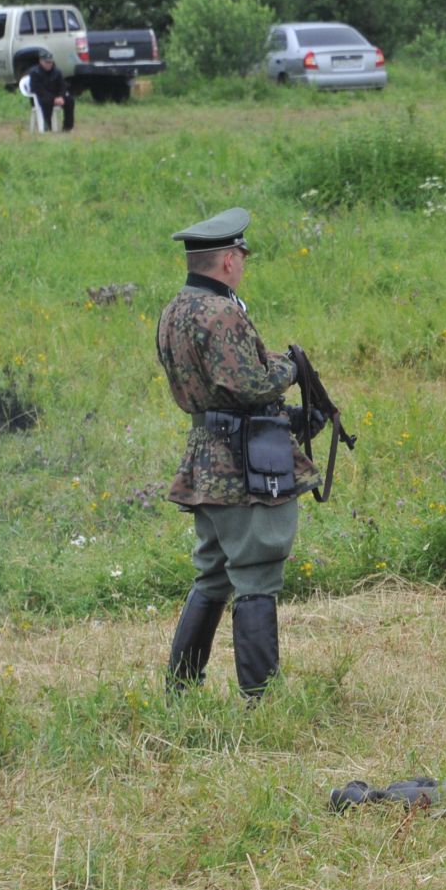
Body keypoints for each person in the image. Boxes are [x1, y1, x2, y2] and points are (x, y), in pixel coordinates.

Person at [156, 208, 317, 697]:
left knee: (212, 573)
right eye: (240, 256)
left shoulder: (174, 309)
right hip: (243, 460)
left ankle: (180, 688)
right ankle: (261, 700)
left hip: (205, 454)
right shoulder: (220, 312)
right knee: (257, 572)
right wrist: (291, 369)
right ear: (227, 260)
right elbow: (247, 383)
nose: (242, 263)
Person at [24, 49, 73, 133]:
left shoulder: (57, 72)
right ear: (41, 61)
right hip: (41, 98)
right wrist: (53, 99)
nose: (49, 64)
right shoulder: (35, 73)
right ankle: (47, 127)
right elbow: (38, 90)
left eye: (50, 62)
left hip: (56, 96)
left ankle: (67, 127)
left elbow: (62, 85)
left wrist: (61, 96)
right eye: (46, 62)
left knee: (70, 100)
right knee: (46, 102)